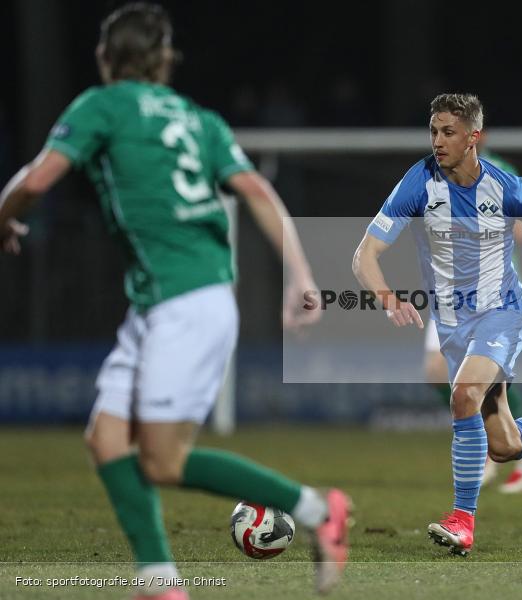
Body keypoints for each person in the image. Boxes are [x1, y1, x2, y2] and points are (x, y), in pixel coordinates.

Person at [0, 4, 349, 597]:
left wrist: (5, 217)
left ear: (106, 58)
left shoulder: (101, 105)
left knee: (162, 461)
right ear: (164, 61)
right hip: (166, 300)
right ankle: (160, 580)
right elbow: (257, 189)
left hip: (187, 303)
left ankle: (318, 510)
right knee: (105, 439)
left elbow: (36, 180)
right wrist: (301, 274)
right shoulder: (198, 118)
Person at [353, 93, 522, 557]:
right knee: (504, 444)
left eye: (448, 132)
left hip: (501, 312)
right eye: (434, 131)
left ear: (473, 137)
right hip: (451, 323)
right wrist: (387, 296)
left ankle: (463, 520)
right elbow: (364, 254)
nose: (438, 141)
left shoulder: (503, 185)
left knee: (462, 394)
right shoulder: (419, 181)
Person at [423, 131, 522, 495]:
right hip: (450, 289)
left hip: (490, 290)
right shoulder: (433, 173)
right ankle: (493, 451)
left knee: (490, 381)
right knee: (437, 372)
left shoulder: (500, 172)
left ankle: (521, 459)